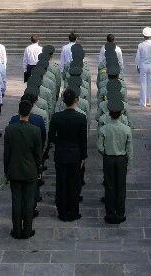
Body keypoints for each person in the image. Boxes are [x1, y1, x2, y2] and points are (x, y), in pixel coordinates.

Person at [4, 98, 44, 238]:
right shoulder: (35, 130)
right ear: (30, 112)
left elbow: (6, 154)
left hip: (14, 170)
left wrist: (6, 172)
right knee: (28, 201)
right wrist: (39, 170)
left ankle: (16, 230)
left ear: (18, 111)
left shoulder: (10, 130)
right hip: (30, 170)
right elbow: (38, 154)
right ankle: (27, 229)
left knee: (16, 201)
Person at [49, 88, 88, 222]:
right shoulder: (81, 118)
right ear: (76, 101)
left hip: (61, 154)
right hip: (75, 155)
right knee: (74, 184)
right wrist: (83, 156)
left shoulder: (56, 117)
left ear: (63, 101)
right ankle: (73, 211)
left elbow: (51, 136)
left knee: (61, 183)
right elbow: (83, 140)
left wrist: (60, 143)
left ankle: (62, 212)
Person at [97, 103, 132, 225]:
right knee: (121, 187)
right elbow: (129, 150)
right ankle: (120, 213)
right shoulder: (126, 129)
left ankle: (110, 213)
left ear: (109, 113)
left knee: (109, 186)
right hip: (121, 159)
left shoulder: (104, 128)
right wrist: (129, 164)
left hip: (108, 159)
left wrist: (106, 153)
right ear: (121, 114)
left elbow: (100, 146)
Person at [136, 27, 151, 108]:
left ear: (143, 35)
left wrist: (138, 66)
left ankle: (143, 102)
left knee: (143, 84)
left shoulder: (140, 45)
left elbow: (138, 57)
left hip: (143, 65)